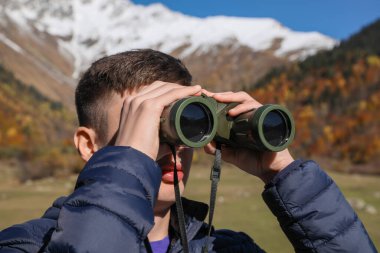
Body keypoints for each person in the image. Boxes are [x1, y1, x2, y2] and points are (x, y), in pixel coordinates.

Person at [0, 49, 376, 253]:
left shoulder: (229, 249)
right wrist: (132, 160)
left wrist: (283, 173)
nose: (173, 148)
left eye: (184, 126)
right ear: (88, 144)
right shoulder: (26, 245)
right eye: (145, 127)